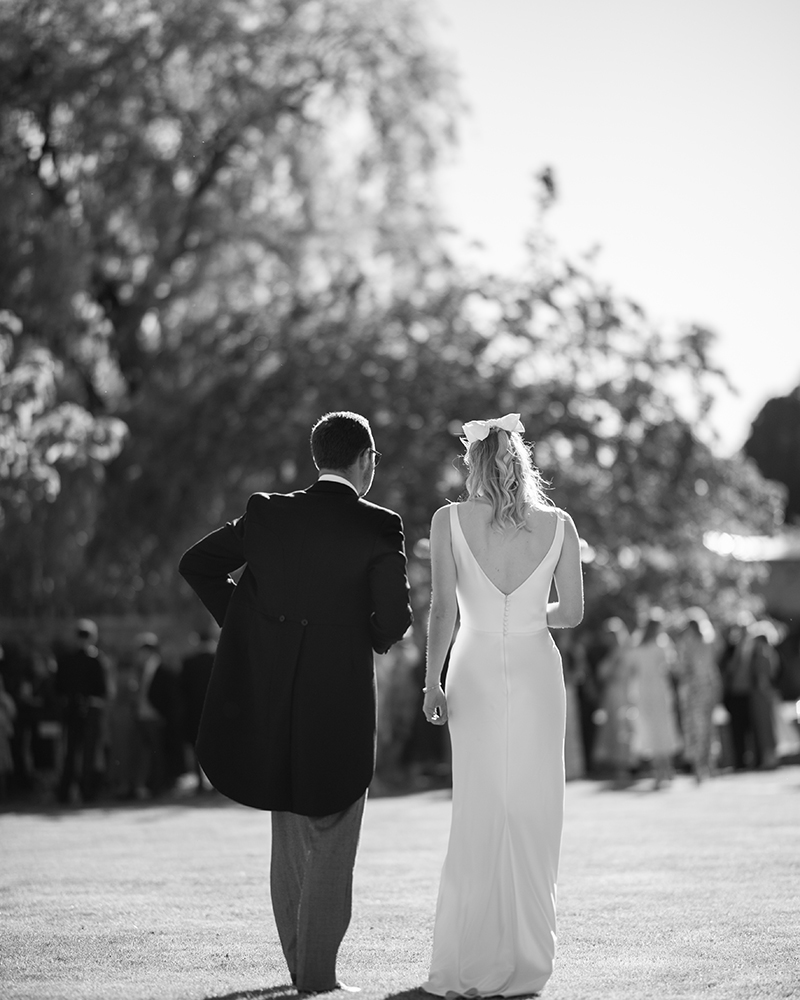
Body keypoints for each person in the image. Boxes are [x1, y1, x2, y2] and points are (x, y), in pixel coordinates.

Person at [179, 411, 412, 993]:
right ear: (366, 460)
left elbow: (196, 564)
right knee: (335, 827)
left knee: (288, 831)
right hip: (341, 699)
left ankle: (301, 972)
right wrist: (364, 636)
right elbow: (393, 620)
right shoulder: (379, 524)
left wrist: (249, 626)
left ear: (318, 457)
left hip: (274, 698)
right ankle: (319, 978)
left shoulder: (267, 511)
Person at [421, 413, 583, 997]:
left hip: (473, 666)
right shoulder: (559, 524)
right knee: (535, 805)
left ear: (474, 462)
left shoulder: (448, 520)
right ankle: (529, 959)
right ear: (521, 460)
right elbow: (572, 613)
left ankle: (471, 954)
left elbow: (443, 609)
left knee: (480, 802)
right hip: (538, 667)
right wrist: (525, 616)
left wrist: (432, 681)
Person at [54, 619, 109, 804]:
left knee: (70, 752)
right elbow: (102, 689)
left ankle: (65, 791)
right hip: (90, 710)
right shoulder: (96, 660)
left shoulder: (65, 660)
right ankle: (87, 791)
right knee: (88, 753)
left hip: (71, 709)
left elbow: (58, 688)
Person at [629, 610, 681, 790]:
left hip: (650, 690)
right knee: (655, 728)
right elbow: (669, 666)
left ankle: (664, 770)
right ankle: (663, 770)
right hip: (653, 690)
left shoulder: (642, 644)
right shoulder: (660, 643)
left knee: (657, 727)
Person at [675, 609, 723, 783]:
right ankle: (707, 766)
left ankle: (701, 767)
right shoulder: (709, 640)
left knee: (698, 729)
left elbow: (682, 669)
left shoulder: (689, 643)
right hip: (706, 687)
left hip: (696, 690)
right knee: (707, 728)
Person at [591, 617, 636, 785]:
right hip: (613, 694)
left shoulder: (625, 651)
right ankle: (618, 766)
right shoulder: (613, 653)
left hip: (624, 693)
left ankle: (626, 765)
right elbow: (602, 673)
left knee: (623, 728)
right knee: (614, 729)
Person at [180, 629, 217, 794]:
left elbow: (182, 689)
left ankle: (200, 782)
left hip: (194, 711)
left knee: (196, 747)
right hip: (215, 711)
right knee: (216, 747)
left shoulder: (189, 662)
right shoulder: (217, 659)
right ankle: (216, 783)